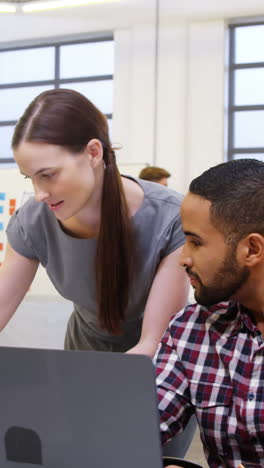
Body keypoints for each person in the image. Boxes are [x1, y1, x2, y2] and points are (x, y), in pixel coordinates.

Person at [1, 88, 190, 358]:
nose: (40, 193)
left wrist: (101, 388)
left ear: (93, 152)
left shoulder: (170, 218)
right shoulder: (32, 221)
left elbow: (153, 341)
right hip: (84, 352)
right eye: (28, 177)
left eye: (49, 175)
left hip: (155, 363)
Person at [154, 158, 264, 468]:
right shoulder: (191, 327)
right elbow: (142, 422)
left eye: (195, 242)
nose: (183, 258)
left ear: (252, 249)